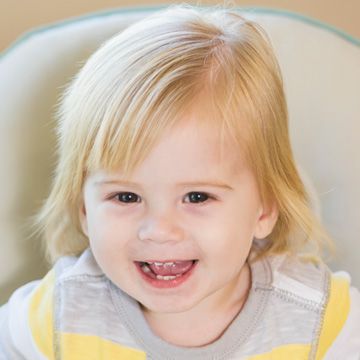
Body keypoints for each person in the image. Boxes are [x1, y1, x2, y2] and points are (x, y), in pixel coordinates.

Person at [0, 5, 359, 359]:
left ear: (264, 208)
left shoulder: (322, 321)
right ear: (83, 208)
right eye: (126, 196)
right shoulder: (54, 318)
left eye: (197, 196)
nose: (159, 231)